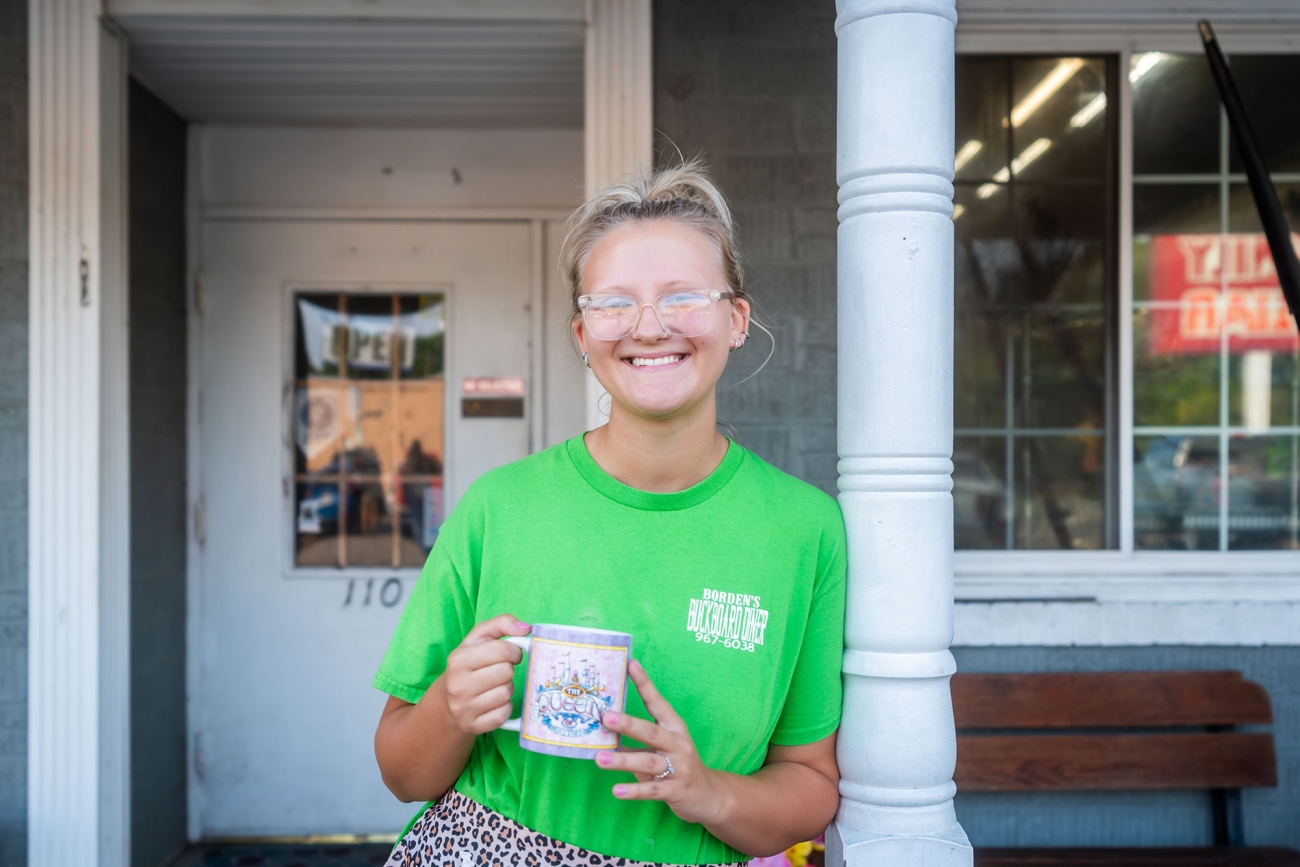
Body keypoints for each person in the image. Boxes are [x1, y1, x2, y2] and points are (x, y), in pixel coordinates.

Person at [373, 160, 846, 866]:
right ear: (581, 334)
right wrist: (448, 708)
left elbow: (810, 782)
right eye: (614, 302)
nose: (649, 326)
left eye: (683, 295)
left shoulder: (804, 530)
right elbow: (402, 772)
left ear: (737, 320)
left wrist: (708, 791)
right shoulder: (499, 507)